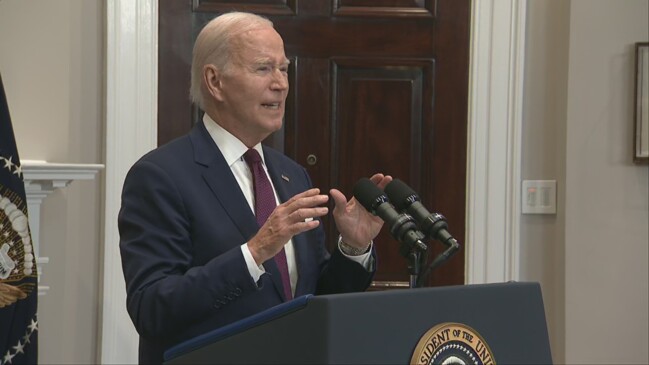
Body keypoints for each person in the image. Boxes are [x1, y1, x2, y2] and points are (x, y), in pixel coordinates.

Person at [118, 11, 392, 364]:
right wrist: (255, 251)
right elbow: (151, 308)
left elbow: (311, 297)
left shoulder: (291, 174)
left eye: (284, 69)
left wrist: (353, 248)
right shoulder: (159, 176)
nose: (280, 83)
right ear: (215, 82)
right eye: (264, 69)